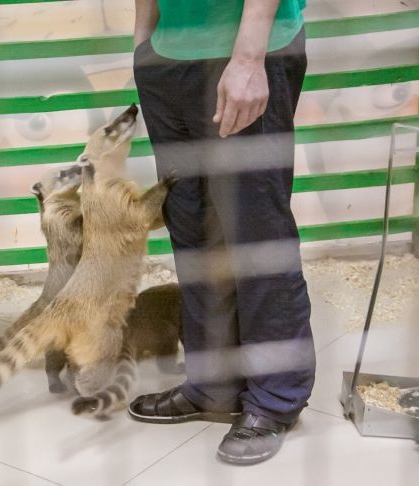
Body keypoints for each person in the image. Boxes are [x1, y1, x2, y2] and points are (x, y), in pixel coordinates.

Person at [128, 0, 316, 465]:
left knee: (256, 235)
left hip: (247, 51)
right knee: (193, 229)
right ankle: (215, 385)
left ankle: (275, 398)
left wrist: (249, 58)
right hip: (168, 55)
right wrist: (144, 44)